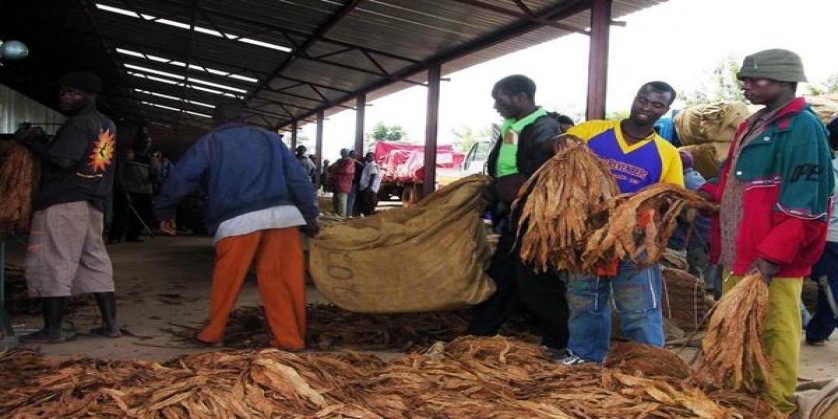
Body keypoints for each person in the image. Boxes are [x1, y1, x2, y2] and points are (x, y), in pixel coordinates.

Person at [698, 49, 833, 414]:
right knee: (737, 330)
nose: (746, 86)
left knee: (774, 332)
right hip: (737, 252)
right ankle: (745, 396)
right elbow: (731, 179)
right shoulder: (753, 124)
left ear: (785, 82)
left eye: (755, 79)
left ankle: (776, 405)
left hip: (770, 259)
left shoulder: (802, 127)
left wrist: (770, 259)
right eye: (744, 79)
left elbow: (806, 203)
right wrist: (700, 195)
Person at [154, 99, 319, 350]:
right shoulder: (271, 139)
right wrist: (310, 217)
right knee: (283, 280)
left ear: (215, 121)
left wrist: (164, 209)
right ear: (244, 118)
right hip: (283, 216)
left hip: (236, 220)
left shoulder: (210, 142)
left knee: (227, 280)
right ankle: (291, 339)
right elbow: (298, 179)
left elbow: (182, 178)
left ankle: (213, 333)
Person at [558, 81, 684, 365]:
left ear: (664, 110)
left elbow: (670, 198)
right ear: (635, 98)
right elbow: (560, 146)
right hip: (587, 235)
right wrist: (562, 143)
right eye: (643, 99)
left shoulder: (667, 153)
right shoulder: (593, 131)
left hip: (635, 242)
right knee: (584, 301)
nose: (647, 108)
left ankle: (651, 364)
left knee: (639, 307)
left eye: (657, 105)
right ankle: (584, 357)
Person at [466, 74, 568, 356]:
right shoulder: (514, 125)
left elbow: (546, 145)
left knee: (536, 281)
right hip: (514, 215)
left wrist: (558, 143)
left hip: (533, 217)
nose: (495, 106)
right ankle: (480, 331)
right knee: (503, 275)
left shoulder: (543, 125)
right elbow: (509, 159)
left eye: (500, 100)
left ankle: (559, 341)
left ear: (521, 98)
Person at [16, 71, 121, 342]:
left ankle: (52, 330)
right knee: (95, 259)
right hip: (92, 202)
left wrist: (33, 143)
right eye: (63, 91)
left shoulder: (78, 123)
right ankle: (110, 325)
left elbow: (63, 162)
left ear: (91, 96)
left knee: (53, 259)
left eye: (74, 93)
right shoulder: (106, 123)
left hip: (64, 202)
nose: (66, 96)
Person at [806, 116, 838, 346]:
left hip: (829, 239)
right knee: (830, 289)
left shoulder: (827, 167)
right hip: (830, 239)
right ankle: (818, 331)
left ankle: (818, 332)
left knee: (829, 289)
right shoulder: (828, 169)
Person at [331, 148, 355, 217]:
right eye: (342, 152)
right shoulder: (339, 160)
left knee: (342, 200)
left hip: (344, 183)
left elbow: (345, 170)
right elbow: (331, 168)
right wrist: (336, 169)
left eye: (345, 152)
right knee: (336, 199)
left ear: (348, 153)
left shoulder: (350, 161)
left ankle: (342, 215)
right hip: (337, 182)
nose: (343, 153)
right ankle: (337, 213)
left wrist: (336, 169)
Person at [359, 152, 381, 216]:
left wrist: (369, 187)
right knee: (366, 204)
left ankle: (369, 217)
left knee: (369, 204)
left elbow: (373, 176)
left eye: (371, 156)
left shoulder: (372, 165)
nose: (370, 157)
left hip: (369, 188)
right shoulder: (368, 164)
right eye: (368, 156)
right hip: (367, 187)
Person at [347, 149, 365, 216]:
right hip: (354, 183)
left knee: (349, 198)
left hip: (351, 183)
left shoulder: (346, 163)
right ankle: (350, 213)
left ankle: (349, 212)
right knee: (352, 198)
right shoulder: (359, 164)